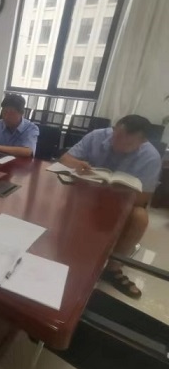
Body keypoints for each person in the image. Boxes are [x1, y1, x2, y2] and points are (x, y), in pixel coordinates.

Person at [60, 115, 161, 299]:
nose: (118, 145)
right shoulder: (97, 136)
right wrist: (78, 164)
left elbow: (143, 198)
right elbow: (65, 159)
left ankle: (113, 267)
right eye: (116, 137)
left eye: (127, 143)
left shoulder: (151, 157)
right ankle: (68, 250)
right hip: (88, 193)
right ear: (114, 129)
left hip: (122, 201)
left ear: (142, 142)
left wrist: (114, 191)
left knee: (140, 217)